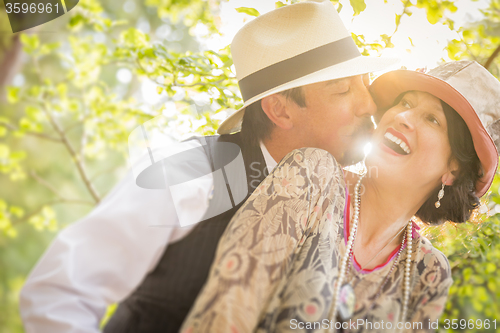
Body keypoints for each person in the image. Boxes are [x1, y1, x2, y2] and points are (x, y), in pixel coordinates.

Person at [19, 2, 397, 332]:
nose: (367, 104)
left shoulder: (353, 205)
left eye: (364, 83)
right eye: (343, 90)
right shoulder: (190, 172)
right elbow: (59, 293)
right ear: (280, 109)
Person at [180, 60, 500, 333]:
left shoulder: (430, 272)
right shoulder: (313, 174)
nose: (402, 116)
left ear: (453, 170)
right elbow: (230, 304)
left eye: (432, 119)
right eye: (405, 103)